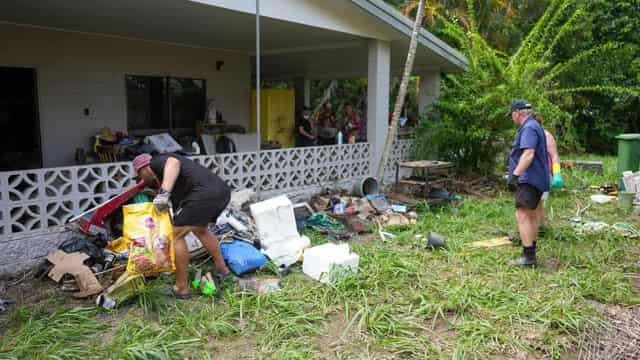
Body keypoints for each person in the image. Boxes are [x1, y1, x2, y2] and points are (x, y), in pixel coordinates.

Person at [132, 153, 233, 298]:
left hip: (203, 194)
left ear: (144, 168)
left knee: (175, 236)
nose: (142, 180)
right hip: (221, 192)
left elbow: (173, 163)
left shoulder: (156, 162)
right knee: (200, 230)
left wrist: (163, 193)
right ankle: (222, 270)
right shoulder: (177, 182)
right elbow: (180, 211)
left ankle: (181, 287)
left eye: (140, 176)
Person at [507, 100, 550, 267]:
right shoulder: (533, 126)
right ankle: (530, 252)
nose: (512, 118)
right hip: (536, 178)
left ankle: (528, 257)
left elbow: (528, 153)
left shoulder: (529, 128)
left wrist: (515, 175)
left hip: (529, 179)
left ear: (517, 113)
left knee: (522, 214)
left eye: (511, 115)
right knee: (530, 214)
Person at [532, 112, 564, 234]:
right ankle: (537, 228)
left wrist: (557, 175)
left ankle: (538, 228)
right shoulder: (528, 135)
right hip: (532, 174)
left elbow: (554, 156)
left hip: (544, 174)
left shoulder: (546, 136)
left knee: (538, 202)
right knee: (536, 202)